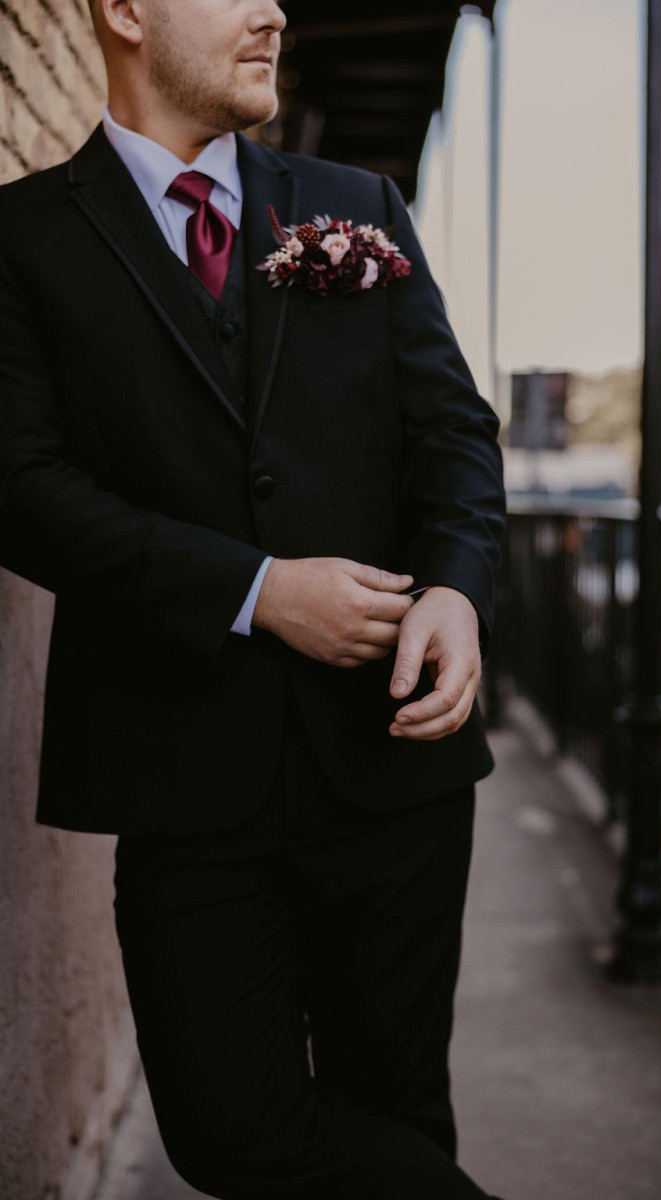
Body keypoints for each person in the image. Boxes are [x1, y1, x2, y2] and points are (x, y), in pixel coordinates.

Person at [0, 1, 507, 1196]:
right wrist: (255, 591)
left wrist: (457, 591)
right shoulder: (20, 237)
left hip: (394, 764)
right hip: (178, 771)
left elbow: (455, 440)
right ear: (124, 10)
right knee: (233, 1135)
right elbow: (17, 486)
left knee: (393, 1116)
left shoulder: (359, 208)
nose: (274, 7)